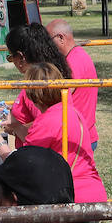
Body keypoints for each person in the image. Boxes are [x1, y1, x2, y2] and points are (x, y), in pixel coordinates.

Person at [0, 63, 106, 204]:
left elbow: (21, 166)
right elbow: (39, 146)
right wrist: (16, 125)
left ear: (32, 95)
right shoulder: (71, 112)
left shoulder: (45, 121)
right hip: (92, 190)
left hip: (70, 195)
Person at [0, 24, 71, 146]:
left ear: (21, 57)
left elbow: (43, 130)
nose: (13, 62)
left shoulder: (37, 87)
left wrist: (13, 127)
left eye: (11, 57)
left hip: (36, 155)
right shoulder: (50, 76)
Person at [44, 18, 99, 151]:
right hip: (82, 135)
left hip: (76, 140)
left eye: (48, 41)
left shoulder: (73, 61)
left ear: (61, 38)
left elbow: (60, 97)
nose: (47, 46)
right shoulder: (77, 56)